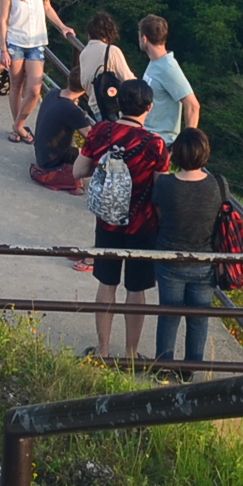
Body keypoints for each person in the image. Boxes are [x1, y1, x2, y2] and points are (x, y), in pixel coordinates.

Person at [74, 79, 168, 361]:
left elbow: (79, 170)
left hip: (107, 221)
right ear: (149, 108)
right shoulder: (155, 144)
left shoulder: (102, 131)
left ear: (120, 104)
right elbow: (160, 190)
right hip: (143, 225)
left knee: (106, 284)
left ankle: (102, 351)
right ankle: (129, 354)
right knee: (137, 289)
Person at [152, 129, 232, 368]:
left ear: (175, 154)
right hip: (205, 262)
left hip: (169, 258)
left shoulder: (165, 184)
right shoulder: (218, 184)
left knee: (169, 317)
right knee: (199, 320)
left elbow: (159, 215)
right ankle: (190, 372)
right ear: (205, 153)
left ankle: (162, 369)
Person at [0, 0, 75, 143]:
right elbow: (3, 21)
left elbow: (48, 8)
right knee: (16, 86)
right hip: (15, 42)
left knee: (34, 89)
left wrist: (62, 26)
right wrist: (4, 49)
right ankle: (18, 129)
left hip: (36, 43)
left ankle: (18, 125)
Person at [138, 16, 201, 144]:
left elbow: (193, 105)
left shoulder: (168, 67)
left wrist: (187, 145)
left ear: (144, 39)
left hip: (160, 143)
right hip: (145, 138)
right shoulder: (155, 63)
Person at [30, 78, 93, 192]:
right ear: (86, 87)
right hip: (54, 160)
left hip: (42, 154)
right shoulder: (72, 110)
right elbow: (92, 137)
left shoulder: (53, 93)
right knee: (92, 156)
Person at [78, 12, 136, 118]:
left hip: (96, 109)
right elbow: (128, 79)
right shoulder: (111, 51)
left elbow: (84, 83)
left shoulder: (83, 53)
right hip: (113, 108)